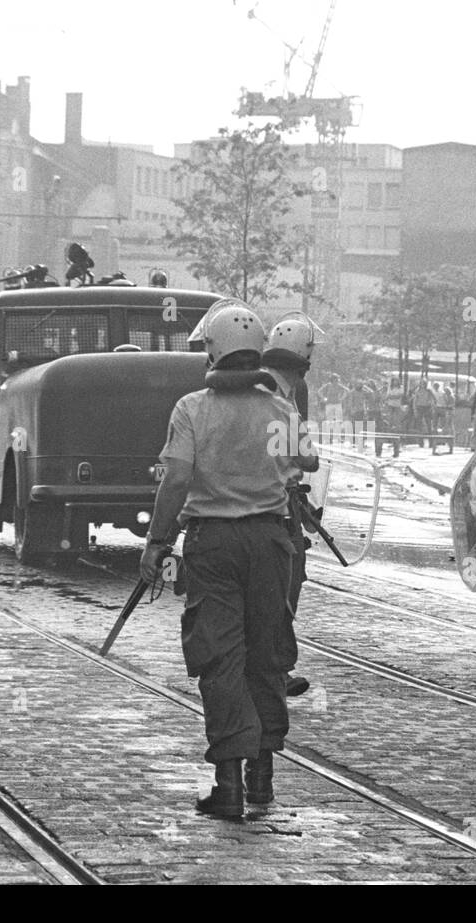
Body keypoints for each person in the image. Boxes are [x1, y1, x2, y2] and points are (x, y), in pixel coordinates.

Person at [140, 301, 313, 820]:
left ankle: (229, 786)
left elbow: (175, 479)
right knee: (267, 654)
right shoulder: (282, 408)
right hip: (270, 542)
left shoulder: (191, 408)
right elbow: (306, 461)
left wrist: (156, 542)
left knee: (221, 659)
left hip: (212, 547)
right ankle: (263, 779)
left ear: (212, 352)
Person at [262, 311, 325, 699]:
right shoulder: (280, 402)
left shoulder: (257, 388)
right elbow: (308, 459)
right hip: (274, 506)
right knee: (286, 584)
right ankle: (275, 668)